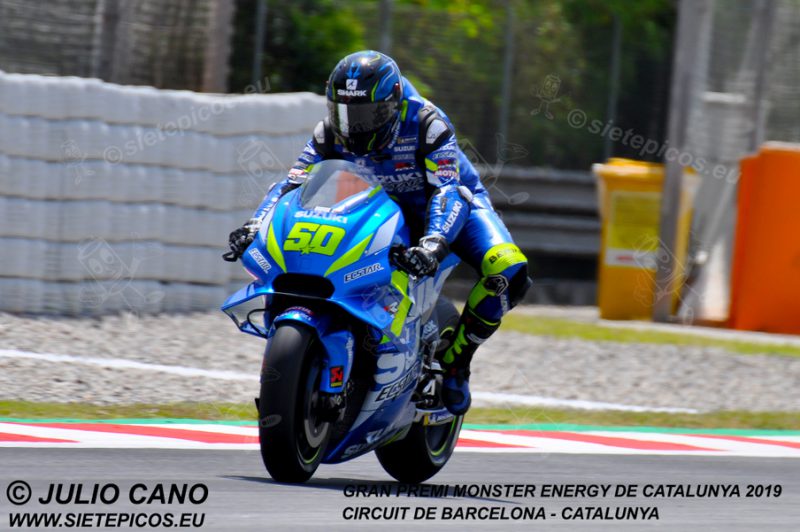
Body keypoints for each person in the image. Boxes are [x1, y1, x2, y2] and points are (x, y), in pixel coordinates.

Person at [228, 51, 531, 415]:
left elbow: (449, 191)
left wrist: (434, 241)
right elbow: (292, 186)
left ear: (392, 104)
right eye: (344, 113)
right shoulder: (328, 133)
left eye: (367, 115)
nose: (354, 126)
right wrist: (255, 225)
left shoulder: (426, 123)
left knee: (508, 270)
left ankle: (456, 363)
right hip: (378, 211)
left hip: (448, 209)